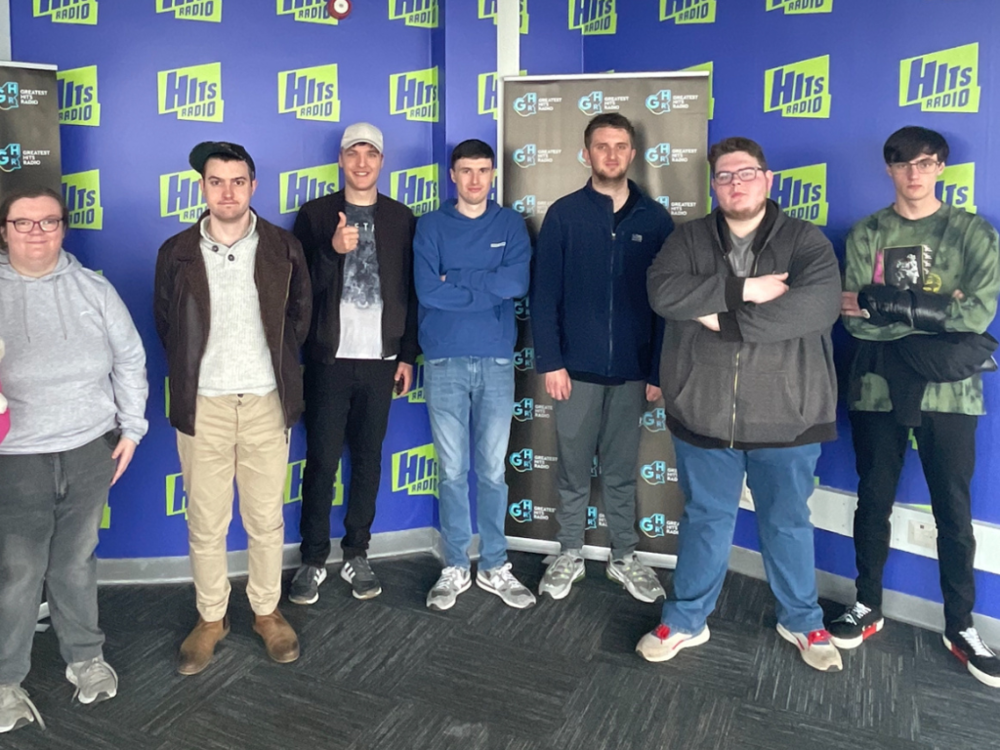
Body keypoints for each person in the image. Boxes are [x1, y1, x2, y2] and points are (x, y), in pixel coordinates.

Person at [638, 137, 843, 673]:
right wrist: (745, 291)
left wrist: (719, 317)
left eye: (745, 173)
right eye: (725, 176)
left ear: (767, 179)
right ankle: (685, 618)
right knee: (705, 520)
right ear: (713, 185)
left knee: (787, 523)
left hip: (788, 413)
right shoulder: (687, 239)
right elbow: (663, 293)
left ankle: (801, 619)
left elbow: (814, 309)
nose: (735, 184)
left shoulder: (805, 242)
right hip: (702, 411)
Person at [834, 126, 1000, 687]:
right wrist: (932, 312)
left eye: (926, 163)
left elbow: (977, 317)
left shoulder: (973, 231)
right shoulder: (868, 232)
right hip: (877, 386)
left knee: (953, 510)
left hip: (952, 394)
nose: (914, 173)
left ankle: (961, 626)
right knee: (872, 498)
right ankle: (867, 604)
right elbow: (855, 317)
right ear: (888, 169)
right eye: (903, 163)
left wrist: (892, 307)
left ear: (940, 168)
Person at [154, 142, 312, 675]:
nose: (227, 191)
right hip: (205, 406)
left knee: (266, 519)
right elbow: (166, 326)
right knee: (206, 520)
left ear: (253, 186)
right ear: (202, 188)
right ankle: (211, 618)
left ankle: (266, 611)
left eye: (237, 181)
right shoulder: (175, 252)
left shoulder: (283, 249)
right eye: (216, 181)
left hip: (267, 402)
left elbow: (299, 320)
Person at [0, 187, 148, 732]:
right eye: (23, 223)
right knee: (17, 571)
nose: (36, 233)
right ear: (4, 230)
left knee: (75, 561)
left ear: (63, 227)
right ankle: (3, 681)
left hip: (88, 448)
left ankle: (84, 658)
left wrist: (131, 428)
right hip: (14, 457)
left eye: (48, 222)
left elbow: (130, 360)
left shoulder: (93, 289)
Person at [531, 113, 673, 603]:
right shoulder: (565, 214)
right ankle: (568, 552)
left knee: (619, 471)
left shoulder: (654, 219)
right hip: (574, 372)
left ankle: (624, 557)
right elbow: (544, 293)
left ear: (633, 154)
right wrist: (550, 361)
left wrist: (657, 370)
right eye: (601, 146)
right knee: (572, 470)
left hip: (633, 374)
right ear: (585, 152)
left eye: (620, 146)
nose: (610, 154)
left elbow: (667, 306)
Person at [289, 123, 418, 604]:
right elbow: (297, 289)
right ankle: (312, 558)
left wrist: (406, 355)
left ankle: (357, 551)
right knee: (321, 460)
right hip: (329, 360)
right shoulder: (316, 215)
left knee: (367, 459)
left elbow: (412, 292)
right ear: (340, 160)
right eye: (352, 153)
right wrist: (331, 251)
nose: (362, 162)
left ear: (382, 162)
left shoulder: (403, 218)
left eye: (371, 154)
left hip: (382, 359)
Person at [414, 139, 534, 611]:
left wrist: (457, 279)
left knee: (490, 471)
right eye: (466, 171)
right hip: (444, 359)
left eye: (483, 171)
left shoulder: (509, 224)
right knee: (452, 470)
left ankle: (495, 565)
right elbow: (428, 292)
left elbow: (516, 284)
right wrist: (484, 284)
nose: (475, 180)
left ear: (493, 175)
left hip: (497, 361)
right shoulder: (430, 226)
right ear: (452, 176)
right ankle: (455, 566)